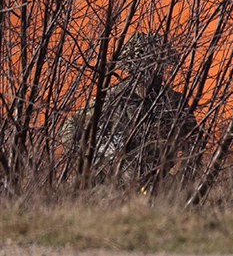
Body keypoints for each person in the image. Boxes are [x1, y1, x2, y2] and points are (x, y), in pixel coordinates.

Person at [61, 32, 200, 190]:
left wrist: (178, 182)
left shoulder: (174, 102)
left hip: (157, 186)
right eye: (151, 65)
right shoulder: (112, 98)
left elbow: (196, 145)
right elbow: (69, 128)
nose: (158, 72)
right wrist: (91, 158)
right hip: (109, 187)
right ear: (134, 67)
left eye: (160, 66)